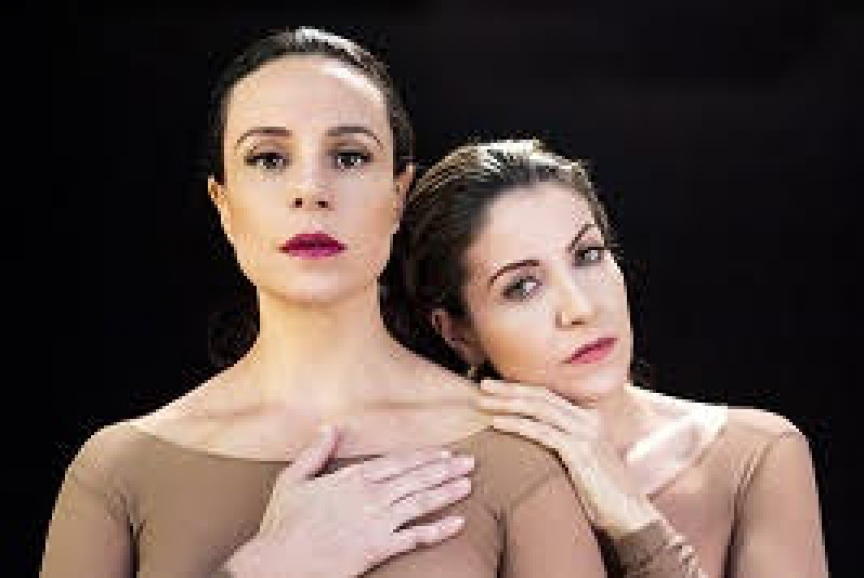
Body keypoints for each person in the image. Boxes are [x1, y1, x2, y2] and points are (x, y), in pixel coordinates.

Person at [38, 27, 653, 578]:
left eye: (349, 156)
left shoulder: (519, 457)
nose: (310, 189)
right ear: (224, 205)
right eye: (269, 159)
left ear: (398, 193)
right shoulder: (117, 471)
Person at [387, 138, 830, 577]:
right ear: (459, 333)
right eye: (523, 286)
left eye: (588, 256)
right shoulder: (439, 490)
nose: (580, 308)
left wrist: (635, 521)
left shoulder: (755, 455)